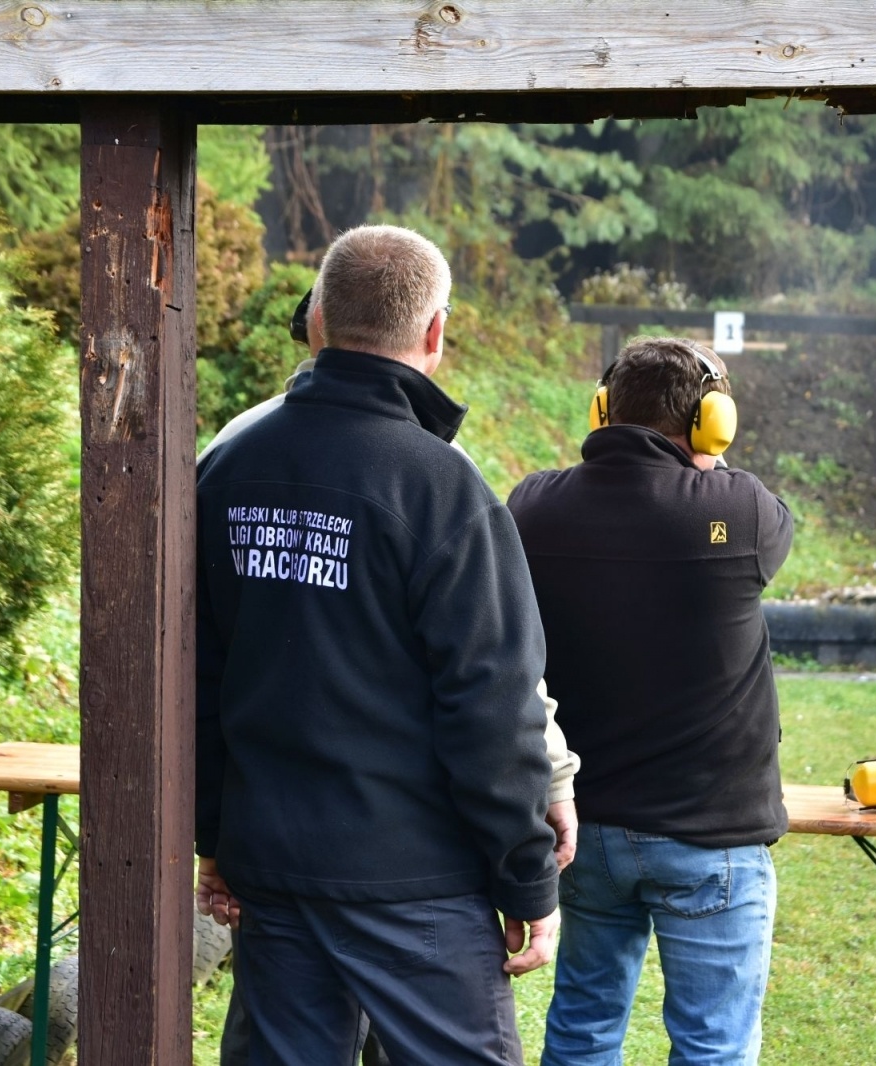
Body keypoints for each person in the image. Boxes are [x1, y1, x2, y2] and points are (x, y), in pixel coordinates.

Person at [195, 224, 560, 1066]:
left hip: (274, 866)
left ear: (316, 318)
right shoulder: (444, 488)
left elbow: (199, 676)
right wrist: (526, 877)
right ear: (434, 335)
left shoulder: (229, 465)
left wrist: (218, 834)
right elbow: (494, 709)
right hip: (418, 884)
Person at [507, 337, 794, 1066]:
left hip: (587, 830)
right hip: (712, 840)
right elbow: (760, 526)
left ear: (603, 410)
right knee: (712, 1048)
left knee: (582, 1029)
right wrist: (710, 466)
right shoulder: (742, 510)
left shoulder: (533, 506)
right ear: (711, 424)